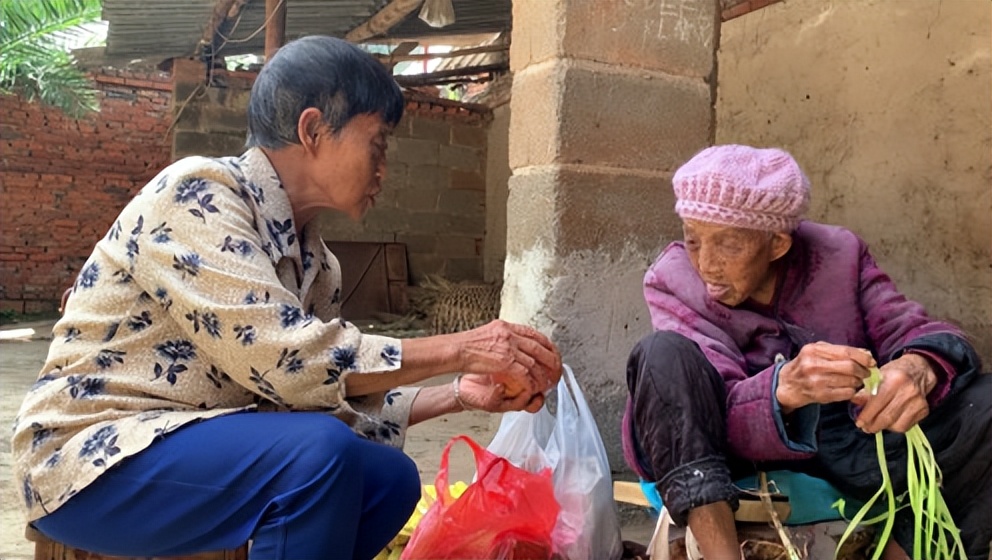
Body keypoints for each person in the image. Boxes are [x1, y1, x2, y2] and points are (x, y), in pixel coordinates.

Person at [12, 36, 562, 560]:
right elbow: (286, 358)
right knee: (318, 455)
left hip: (189, 453)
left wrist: (458, 395)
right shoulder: (199, 193)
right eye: (377, 143)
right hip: (90, 460)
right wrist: (463, 348)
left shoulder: (317, 265)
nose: (384, 168)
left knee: (388, 478)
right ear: (314, 130)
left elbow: (320, 396)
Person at [621, 145, 990, 560]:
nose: (706, 264)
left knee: (986, 403)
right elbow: (708, 407)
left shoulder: (839, 255)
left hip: (851, 441)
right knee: (663, 355)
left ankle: (909, 552)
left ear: (777, 243)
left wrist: (917, 367)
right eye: (693, 239)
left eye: (728, 245)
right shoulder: (672, 280)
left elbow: (913, 328)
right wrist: (781, 391)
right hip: (725, 453)